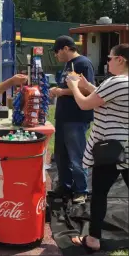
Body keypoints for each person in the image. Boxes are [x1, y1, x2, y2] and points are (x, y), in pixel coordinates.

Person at [66, 43, 129, 252]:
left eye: (110, 58)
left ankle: (93, 239)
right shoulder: (122, 83)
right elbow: (107, 99)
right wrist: (87, 86)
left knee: (99, 193)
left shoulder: (115, 81)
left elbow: (85, 104)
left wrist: (74, 86)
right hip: (124, 147)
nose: (107, 61)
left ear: (120, 59)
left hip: (109, 148)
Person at [49, 35, 95, 204]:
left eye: (57, 51)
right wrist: (58, 90)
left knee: (77, 155)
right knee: (61, 155)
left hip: (76, 117)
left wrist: (62, 92)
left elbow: (89, 91)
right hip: (63, 117)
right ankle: (65, 186)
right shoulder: (68, 65)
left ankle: (81, 190)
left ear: (66, 48)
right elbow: (68, 87)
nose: (56, 55)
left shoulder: (83, 63)